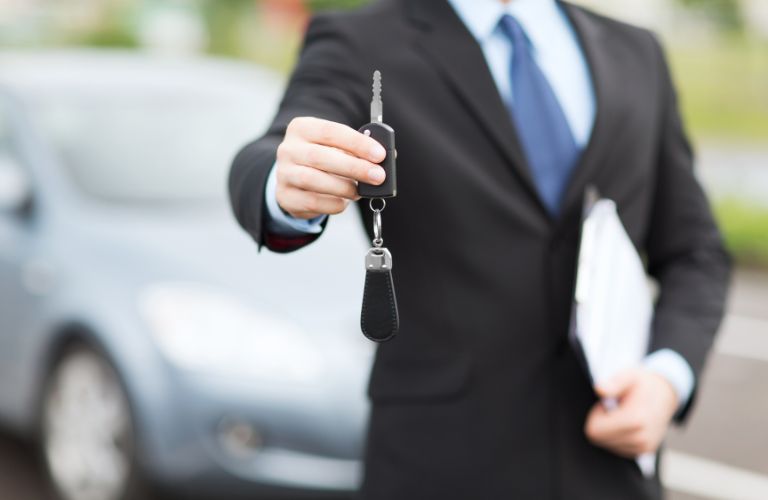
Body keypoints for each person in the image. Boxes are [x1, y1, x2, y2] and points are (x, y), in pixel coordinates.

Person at [228, 0, 731, 498]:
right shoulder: (359, 41)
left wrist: (667, 378)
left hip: (611, 465)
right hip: (441, 464)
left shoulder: (637, 50)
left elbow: (696, 251)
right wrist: (283, 183)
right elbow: (266, 158)